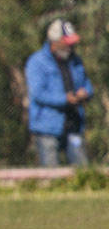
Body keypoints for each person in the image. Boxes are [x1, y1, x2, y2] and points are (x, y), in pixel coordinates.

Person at [25, 19, 93, 166]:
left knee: (82, 170)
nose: (71, 46)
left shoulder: (76, 61)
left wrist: (85, 92)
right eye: (67, 42)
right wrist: (64, 99)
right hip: (47, 128)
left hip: (74, 125)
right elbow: (37, 93)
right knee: (51, 175)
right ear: (54, 42)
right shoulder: (37, 62)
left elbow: (87, 85)